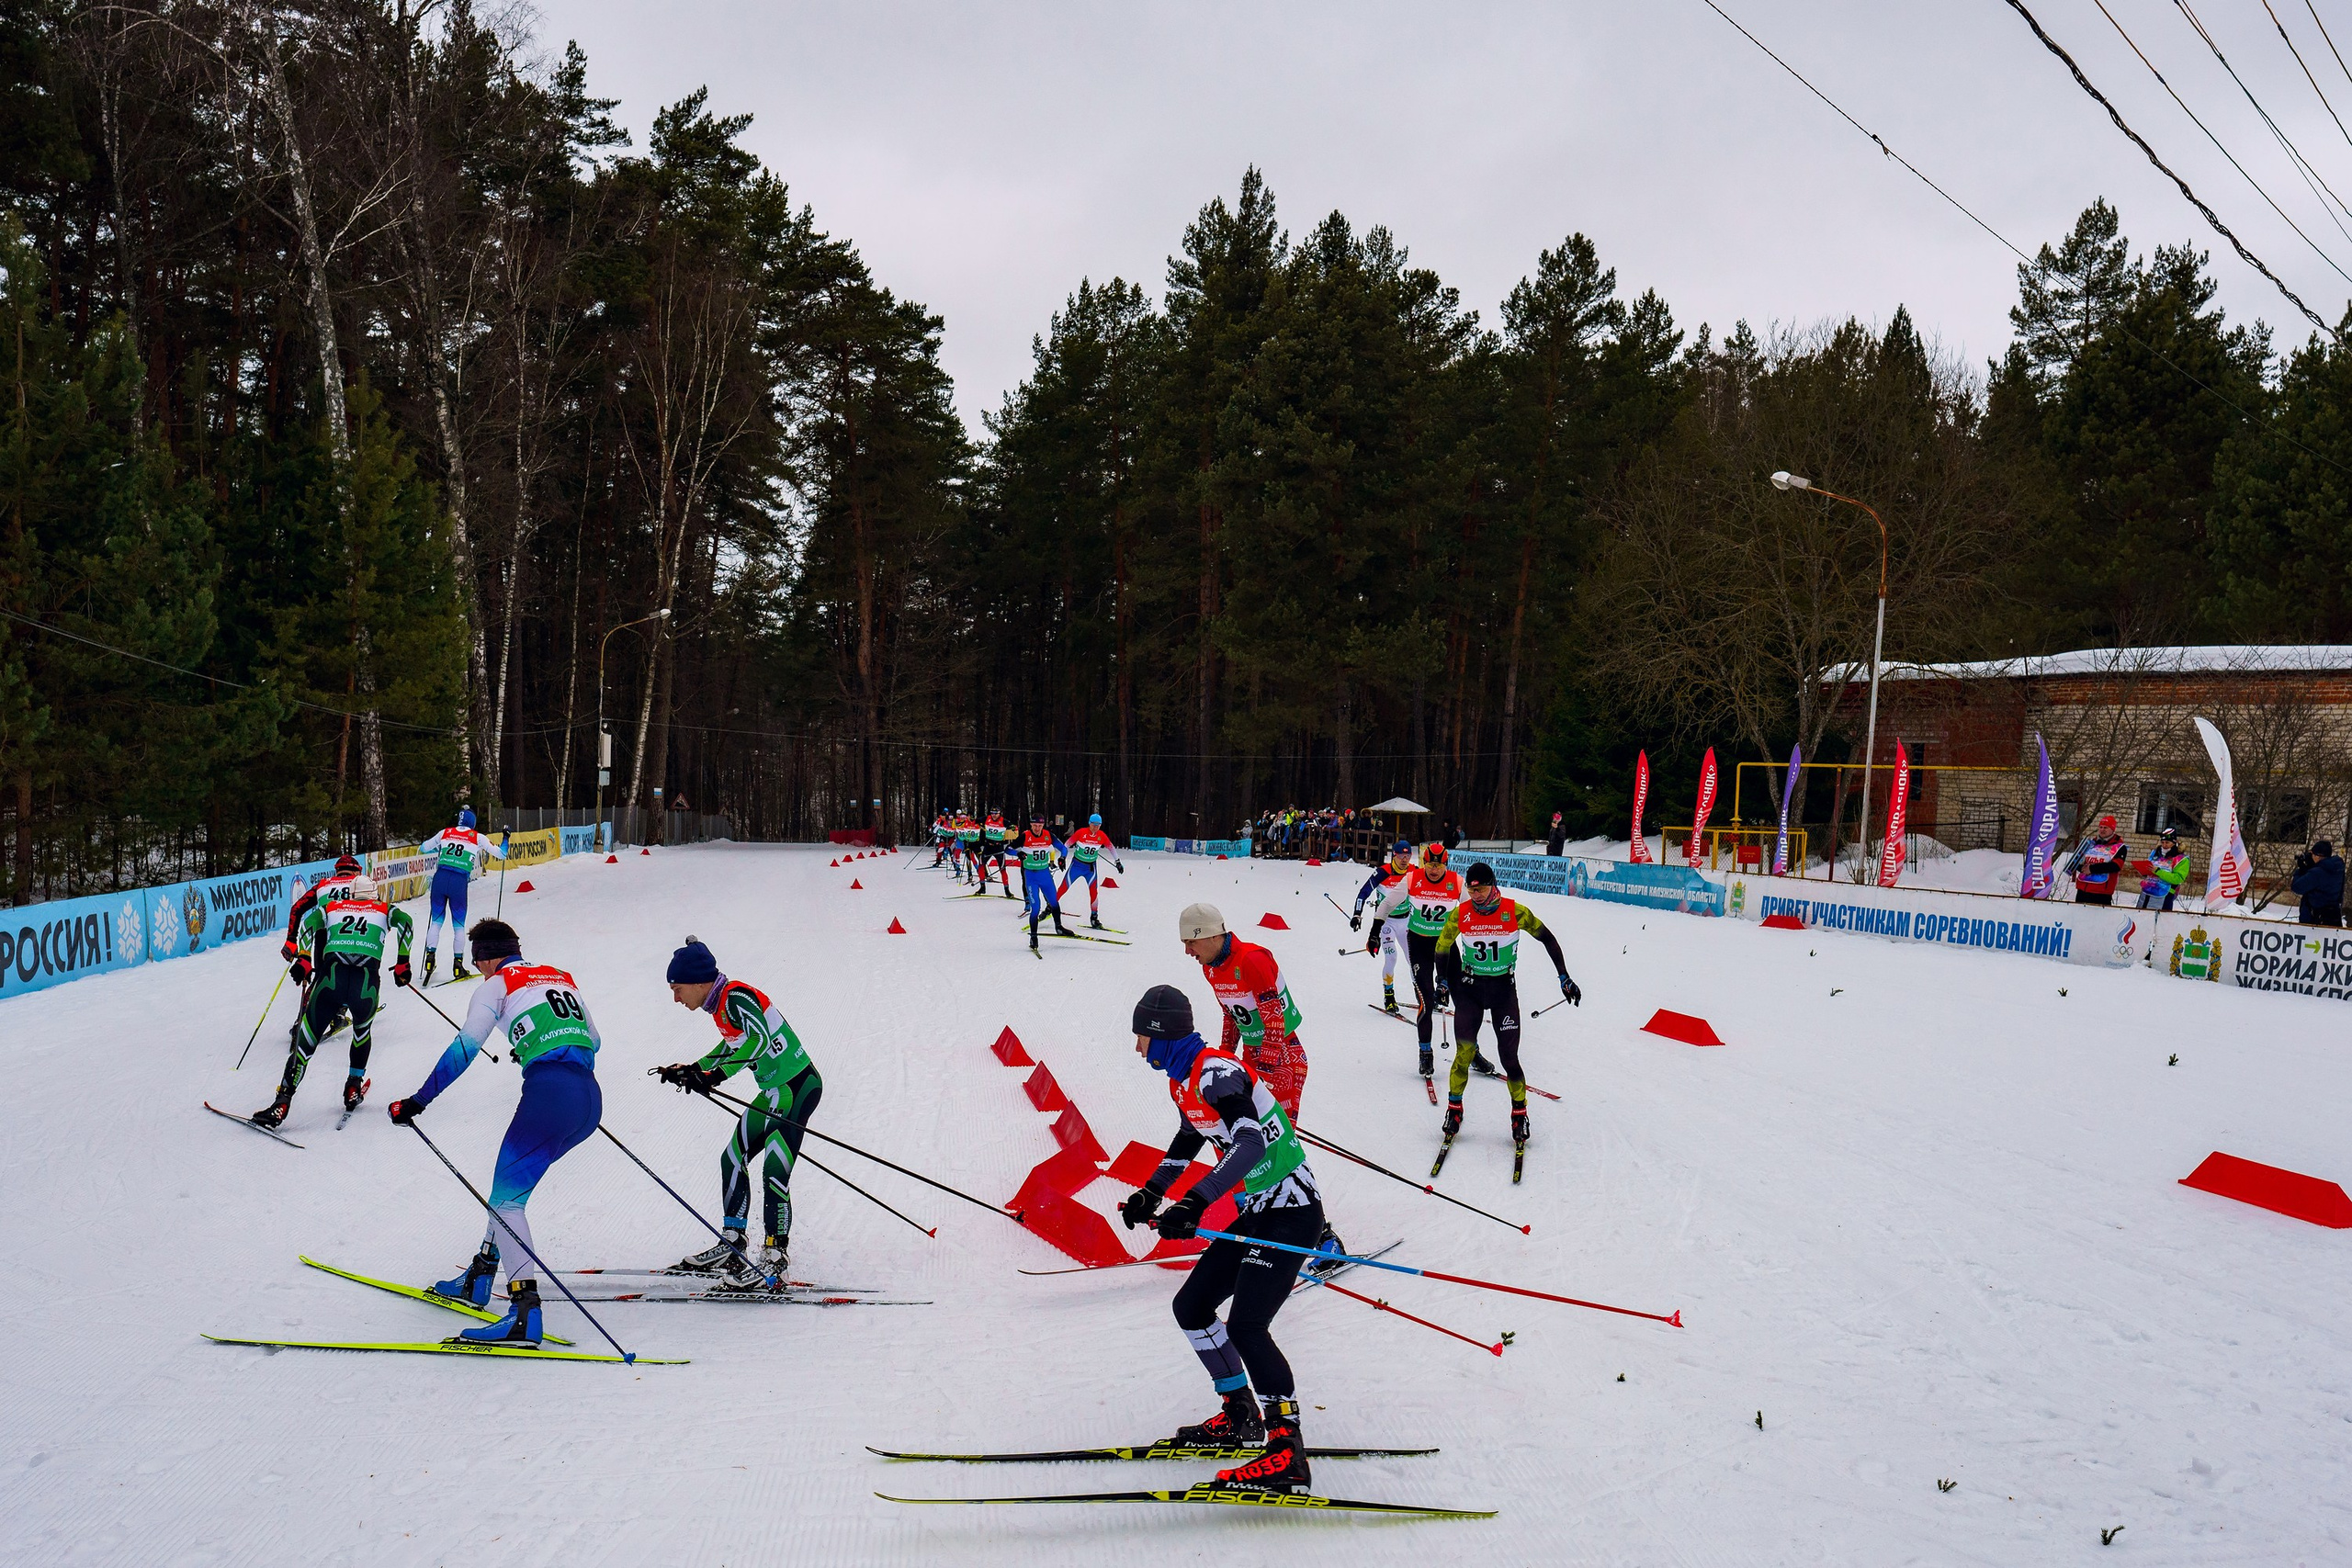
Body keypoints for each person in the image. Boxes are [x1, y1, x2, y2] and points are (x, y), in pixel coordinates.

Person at [1119, 984, 1324, 1495]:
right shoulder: (1184, 1080)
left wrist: (1195, 1202)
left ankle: (1286, 1452)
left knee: (1248, 1326)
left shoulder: (1217, 1072)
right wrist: (1152, 1192)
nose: (1139, 1048)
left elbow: (1250, 1142)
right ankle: (1239, 1413)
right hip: (1260, 1212)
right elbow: (1190, 1137)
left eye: (1142, 1037)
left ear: (1162, 1033)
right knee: (1192, 1306)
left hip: (1292, 1213)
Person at [390, 919, 601, 1348]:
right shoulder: (560, 975)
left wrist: (418, 1100)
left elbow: (466, 1047)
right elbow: (593, 1039)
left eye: (476, 961)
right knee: (507, 1193)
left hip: (550, 1095)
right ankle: (481, 1274)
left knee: (506, 1201)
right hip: (588, 1099)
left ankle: (524, 1314)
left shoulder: (496, 984)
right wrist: (536, 1043)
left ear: (485, 957)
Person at [653, 938, 823, 1285]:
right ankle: (733, 1242)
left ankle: (775, 1255)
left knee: (774, 1167)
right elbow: (732, 1044)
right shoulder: (720, 1005)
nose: (676, 998)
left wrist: (715, 1075)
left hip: (797, 1087)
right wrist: (693, 1069)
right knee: (731, 1158)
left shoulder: (737, 996)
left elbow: (758, 1041)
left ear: (700, 982)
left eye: (678, 988)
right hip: (774, 1092)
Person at [1435, 863, 1579, 1149]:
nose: (1475, 894)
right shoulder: (1460, 914)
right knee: (1463, 1053)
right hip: (1471, 990)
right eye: (1471, 889)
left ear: (1493, 884)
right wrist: (1442, 981)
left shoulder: (1515, 912)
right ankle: (1454, 1109)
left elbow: (1547, 938)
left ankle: (1519, 1113)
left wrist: (1563, 975)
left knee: (1509, 1058)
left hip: (1503, 991)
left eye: (1481, 888)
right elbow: (1442, 947)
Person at [252, 874, 413, 1127]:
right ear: (374, 894)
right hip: (365, 985)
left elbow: (307, 923)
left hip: (330, 981)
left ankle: (282, 1102)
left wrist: (304, 958)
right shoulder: (383, 909)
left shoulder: (332, 906)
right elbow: (406, 922)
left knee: (305, 1044)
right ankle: (352, 1087)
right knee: (361, 1034)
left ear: (351, 894)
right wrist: (403, 962)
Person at [1396, 841, 1493, 1081]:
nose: (1434, 870)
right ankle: (1425, 1052)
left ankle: (1472, 1052)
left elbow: (1470, 909)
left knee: (1464, 1002)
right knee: (1427, 1000)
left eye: (1438, 865)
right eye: (1429, 864)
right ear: (1424, 863)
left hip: (1447, 948)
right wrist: (1375, 929)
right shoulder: (1413, 878)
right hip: (1419, 945)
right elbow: (1388, 903)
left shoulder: (1456, 882)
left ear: (1445, 865)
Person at [418, 807, 505, 985]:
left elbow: (423, 848)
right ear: (472, 823)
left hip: (440, 877)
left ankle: (430, 958)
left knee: (436, 921)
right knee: (458, 925)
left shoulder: (445, 832)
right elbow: (501, 854)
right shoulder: (477, 837)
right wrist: (506, 837)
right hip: (458, 881)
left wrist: (442, 849)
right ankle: (458, 964)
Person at [1351, 840, 1417, 1014]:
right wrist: (1357, 914)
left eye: (1408, 855)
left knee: (1413, 959)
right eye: (1401, 856)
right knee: (1392, 957)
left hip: (1406, 921)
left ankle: (1421, 994)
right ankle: (1389, 997)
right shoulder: (1383, 872)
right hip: (1386, 922)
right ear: (1393, 855)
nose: (1404, 859)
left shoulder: (1413, 872)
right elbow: (1363, 892)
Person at [1019, 814, 1075, 949]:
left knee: (1054, 902)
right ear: (1031, 825)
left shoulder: (1048, 835)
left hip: (1045, 875)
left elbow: (1063, 848)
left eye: (1040, 826)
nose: (1037, 828)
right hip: (1031, 877)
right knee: (1036, 908)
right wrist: (1018, 854)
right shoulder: (1025, 836)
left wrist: (1062, 858)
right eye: (1035, 825)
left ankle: (1059, 927)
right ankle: (1033, 937)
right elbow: (1009, 849)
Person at [1058, 812, 1124, 928]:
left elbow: (1111, 847)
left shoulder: (1101, 835)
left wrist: (1118, 862)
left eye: (1098, 825)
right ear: (1089, 823)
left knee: (1094, 893)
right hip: (1077, 866)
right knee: (1063, 887)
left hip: (1090, 868)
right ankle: (1049, 908)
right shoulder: (1081, 832)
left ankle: (1094, 918)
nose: (1095, 827)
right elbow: (1067, 844)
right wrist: (1063, 857)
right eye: (1094, 825)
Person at [2070, 816, 2128, 906]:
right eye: (2100, 827)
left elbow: (2116, 866)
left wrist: (2092, 869)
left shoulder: (2119, 846)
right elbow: (2077, 861)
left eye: (2106, 827)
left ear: (2113, 829)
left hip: (2101, 892)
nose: (2102, 830)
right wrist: (2081, 868)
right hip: (2082, 889)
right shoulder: (2091, 843)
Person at [2292, 840, 2345, 926]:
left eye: (2312, 854)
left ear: (2318, 856)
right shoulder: (2337, 868)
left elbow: (2297, 887)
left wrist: (2301, 870)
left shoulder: (2317, 873)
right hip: (2333, 916)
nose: (2310, 856)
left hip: (2315, 920)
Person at [2135, 827, 2189, 911]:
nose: (2164, 845)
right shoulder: (2155, 853)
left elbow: (2178, 878)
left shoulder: (2181, 859)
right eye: (2162, 842)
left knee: (2158, 921)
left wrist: (2158, 871)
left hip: (2164, 895)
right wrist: (2143, 870)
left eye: (2167, 843)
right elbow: (2149, 867)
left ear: (2174, 843)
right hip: (2146, 892)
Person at [981, 809, 1015, 898]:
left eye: (996, 813)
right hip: (988, 847)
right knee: (981, 865)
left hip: (998, 847)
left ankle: (1007, 891)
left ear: (999, 814)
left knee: (1003, 869)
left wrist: (1012, 828)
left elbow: (1013, 827)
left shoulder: (1003, 821)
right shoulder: (986, 818)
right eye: (992, 813)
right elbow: (975, 821)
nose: (994, 815)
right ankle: (982, 887)